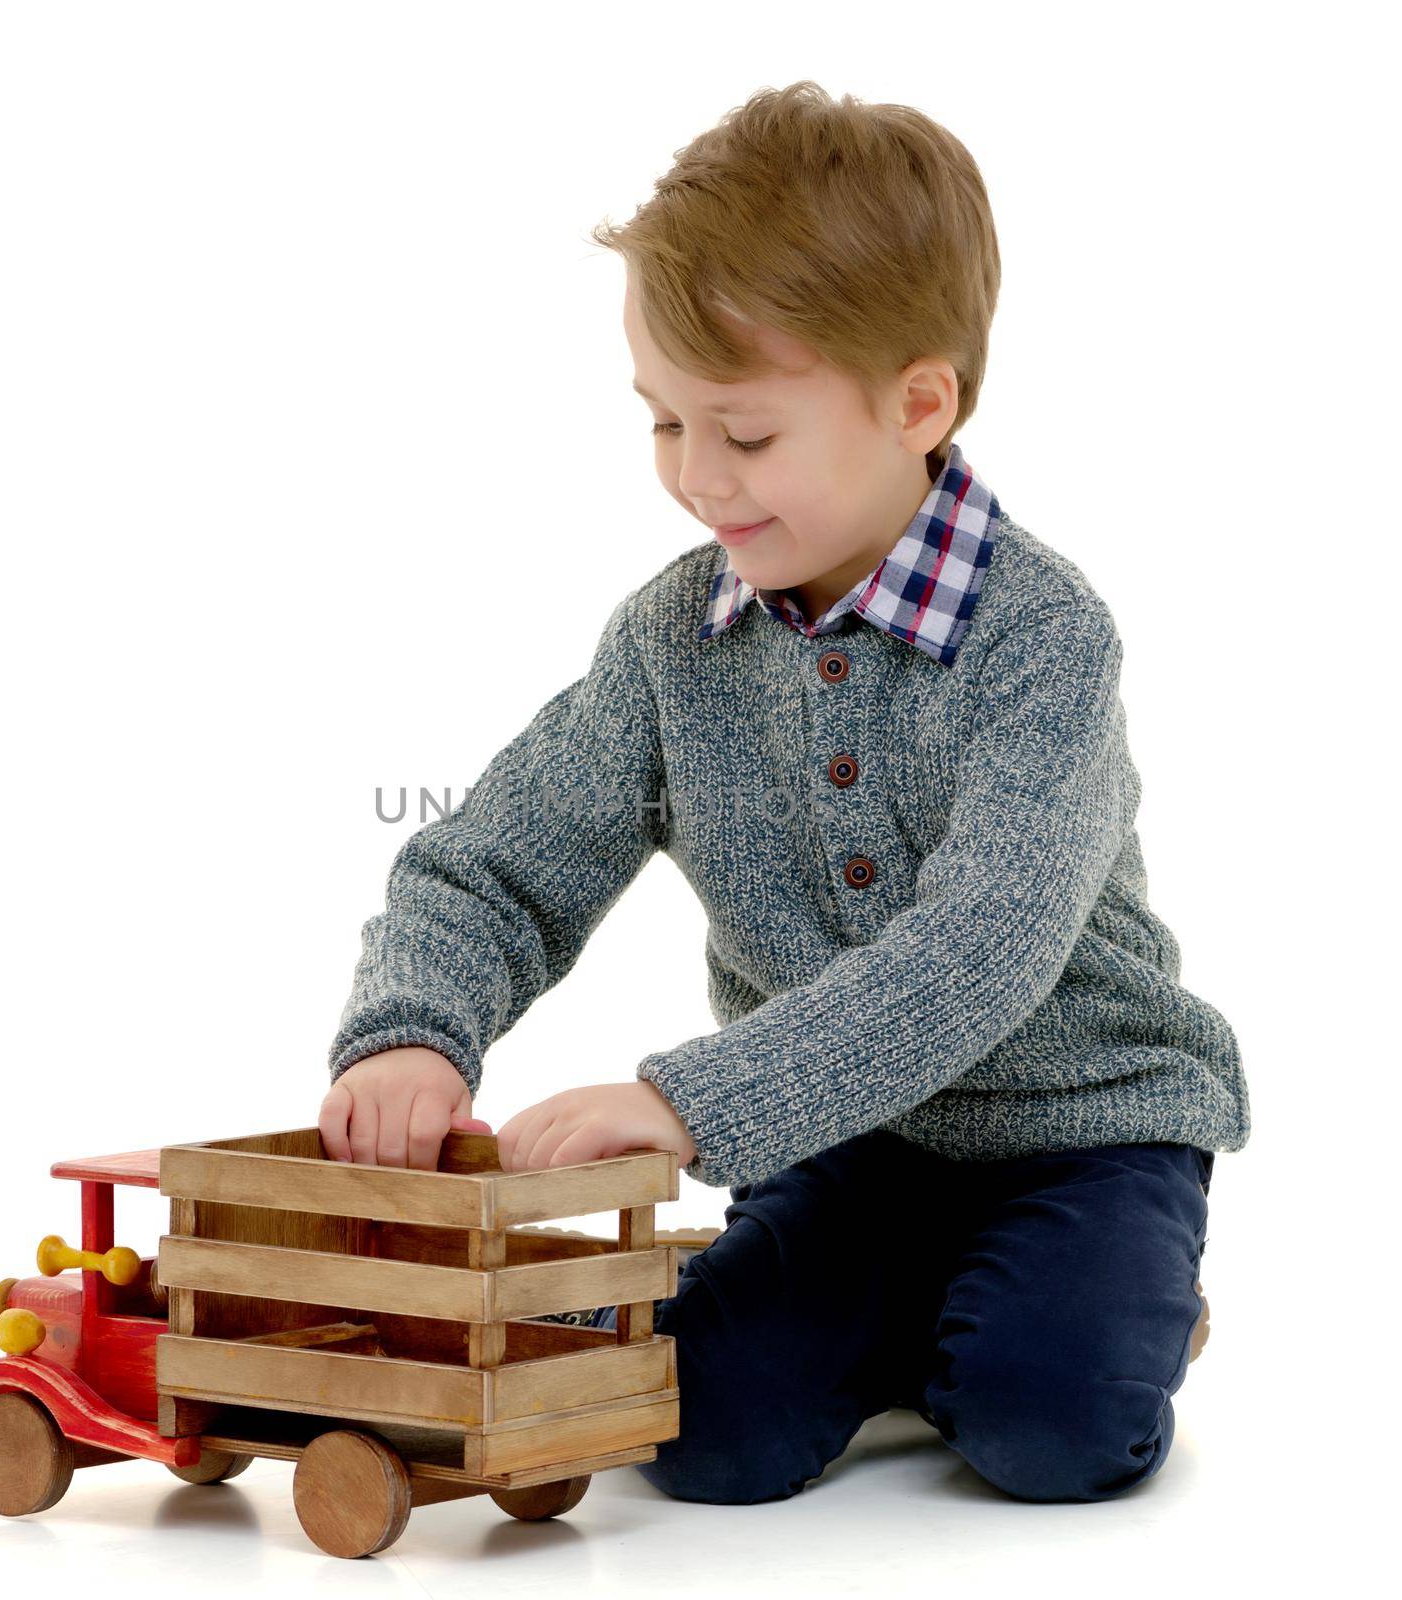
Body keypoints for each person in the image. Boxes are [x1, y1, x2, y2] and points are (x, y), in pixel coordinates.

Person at [317, 82, 1249, 1506]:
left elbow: (981, 950)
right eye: (661, 423)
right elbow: (500, 859)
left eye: (744, 436)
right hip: (848, 1147)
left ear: (917, 402)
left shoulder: (1042, 640)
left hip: (1082, 1134)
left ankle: (1102, 1306)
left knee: (1050, 1427)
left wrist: (688, 1104)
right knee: (695, 1436)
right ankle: (894, 1316)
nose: (695, 478)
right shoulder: (669, 644)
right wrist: (410, 1032)